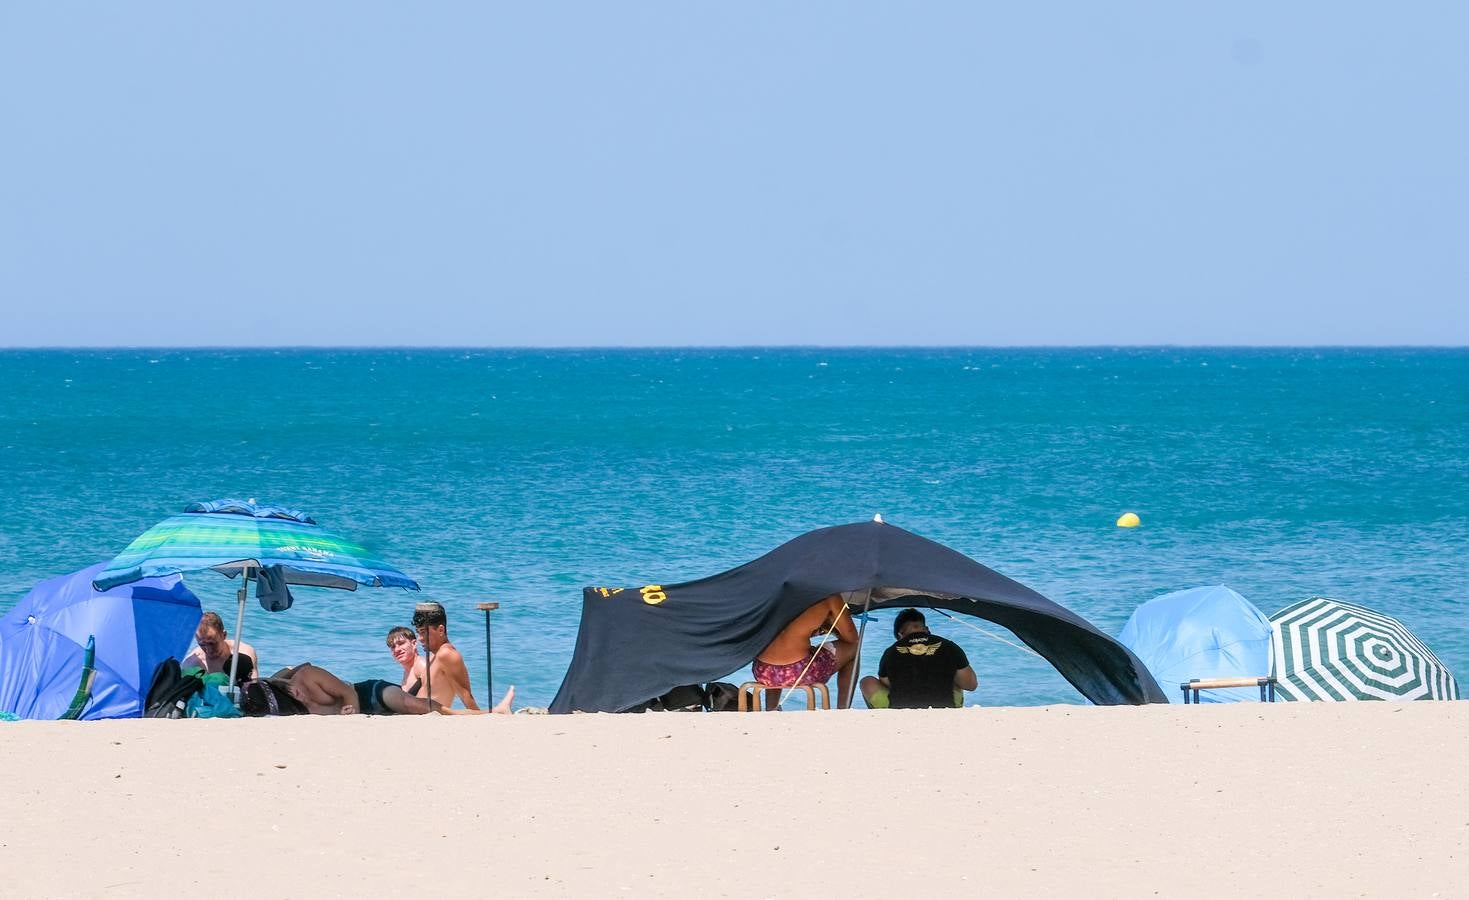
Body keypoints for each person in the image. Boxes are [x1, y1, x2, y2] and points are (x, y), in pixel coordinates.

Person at [240, 662, 513, 716]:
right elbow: (268, 683)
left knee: (415, 706)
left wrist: (355, 714)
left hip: (369, 693)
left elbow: (348, 694)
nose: (299, 696)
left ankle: (490, 713)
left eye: (295, 690)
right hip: (362, 711)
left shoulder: (310, 676)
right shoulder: (293, 708)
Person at [752, 594, 860, 709]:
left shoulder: (775, 592)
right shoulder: (829, 596)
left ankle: (770, 708)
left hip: (763, 672)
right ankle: (843, 708)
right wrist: (829, 624)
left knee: (776, 652)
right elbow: (852, 638)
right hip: (799, 673)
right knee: (854, 648)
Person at [860, 608, 977, 709]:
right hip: (944, 708)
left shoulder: (891, 651)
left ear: (900, 635)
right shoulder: (949, 646)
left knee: (867, 682)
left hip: (900, 710)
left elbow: (888, 683)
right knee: (956, 674)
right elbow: (971, 685)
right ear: (926, 629)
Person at [411, 602, 479, 710]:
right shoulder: (436, 656)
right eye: (418, 633)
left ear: (441, 630)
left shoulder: (446, 654)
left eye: (423, 632)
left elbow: (466, 697)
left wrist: (484, 718)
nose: (420, 638)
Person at [182, 611, 259, 682]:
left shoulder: (244, 653)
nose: (209, 650)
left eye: (212, 643)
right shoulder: (192, 664)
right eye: (202, 644)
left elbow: (253, 686)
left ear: (224, 635)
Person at [385, 626, 423, 695]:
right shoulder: (407, 672)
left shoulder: (421, 666)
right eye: (393, 646)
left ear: (414, 644)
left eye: (401, 643)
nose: (396, 649)